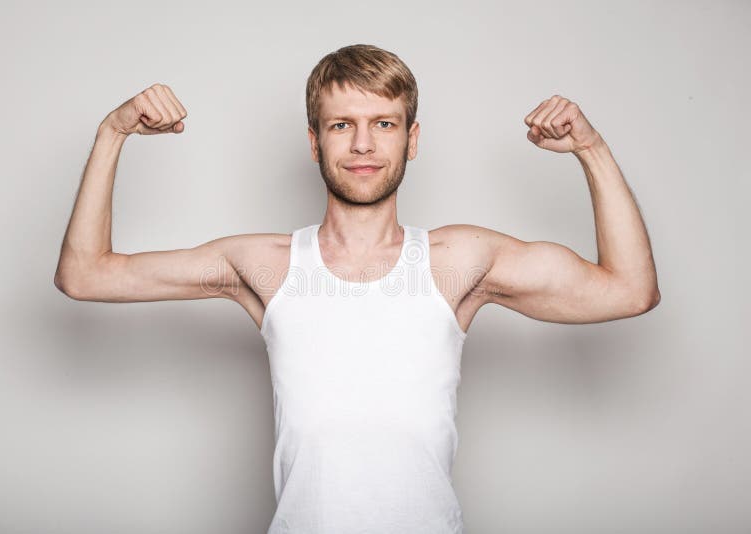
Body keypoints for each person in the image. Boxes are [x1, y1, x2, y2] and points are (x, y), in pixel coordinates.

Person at [54, 44, 660, 533]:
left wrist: (591, 149)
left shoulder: (459, 262)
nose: (364, 144)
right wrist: (112, 133)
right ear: (315, 143)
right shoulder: (266, 266)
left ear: (411, 140)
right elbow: (85, 275)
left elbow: (629, 290)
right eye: (342, 125)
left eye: (384, 124)